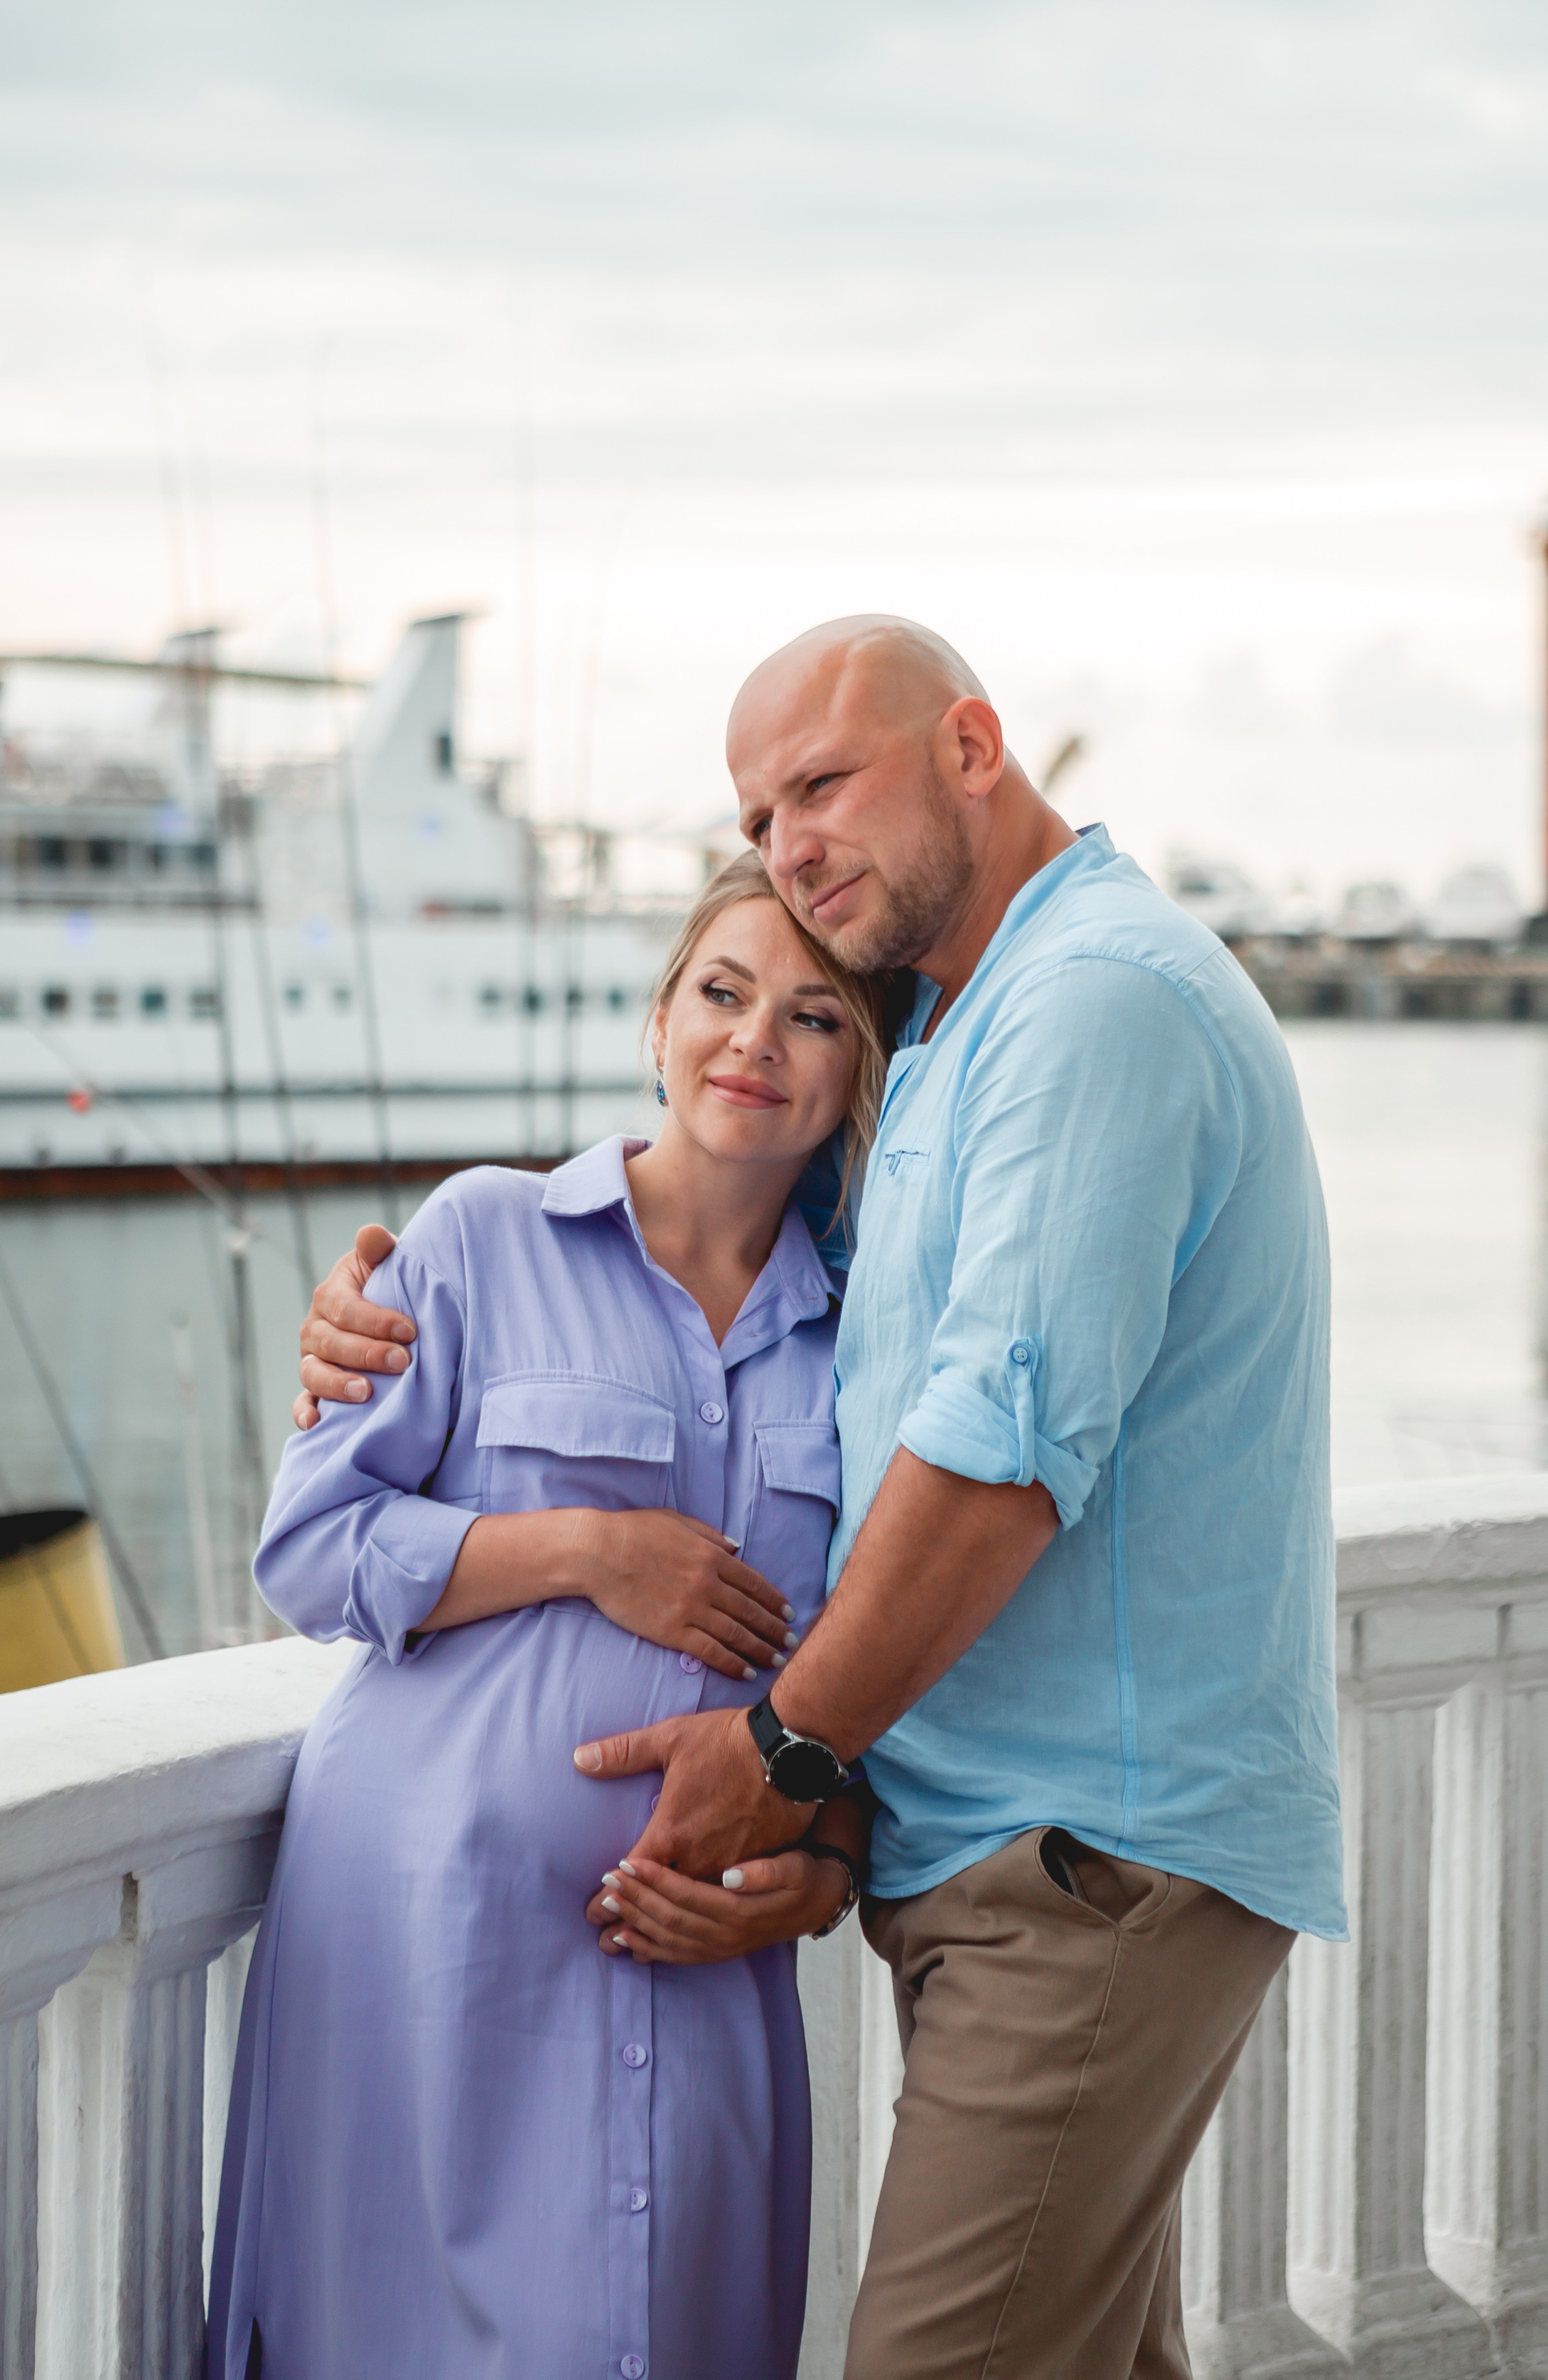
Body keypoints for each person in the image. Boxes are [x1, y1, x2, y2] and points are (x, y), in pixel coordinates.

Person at [296, 616, 1345, 2380]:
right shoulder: (949, 1039)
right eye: (756, 808)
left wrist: (782, 1756)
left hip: (1084, 1852)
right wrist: (384, 1319)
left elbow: (994, 1462)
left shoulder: (1087, 1007)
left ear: (969, 748)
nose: (789, 839)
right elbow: (741, 1318)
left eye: (821, 784)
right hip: (987, 1856)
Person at [210, 854, 888, 2380]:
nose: (752, 1043)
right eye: (720, 994)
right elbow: (311, 1551)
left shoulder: (869, 1345)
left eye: (813, 1018)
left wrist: (817, 1870)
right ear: (660, 1019)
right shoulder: (475, 1238)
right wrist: (587, 1548)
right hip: (424, 1932)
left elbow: (881, 1657)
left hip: (695, 1942)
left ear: (858, 1075)